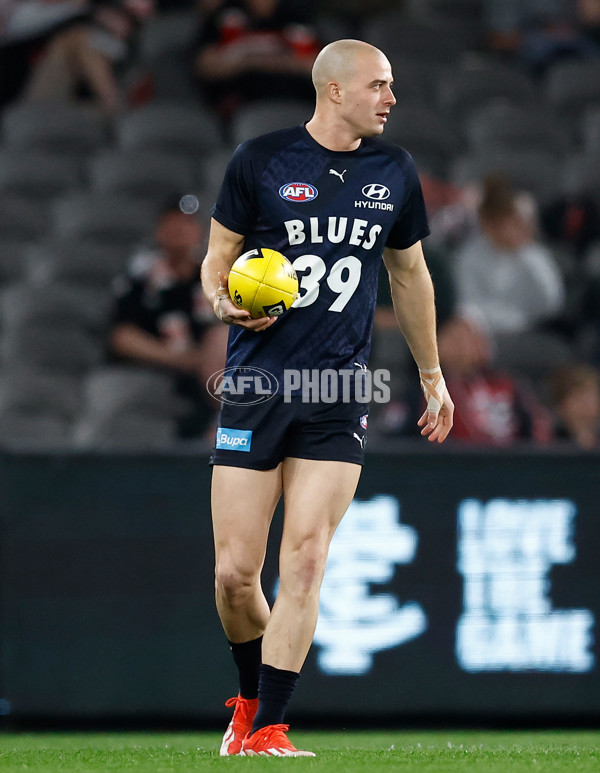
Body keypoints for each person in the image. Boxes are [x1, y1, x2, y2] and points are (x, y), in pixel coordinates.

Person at [200, 38, 454, 757]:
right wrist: (222, 303)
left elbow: (409, 277)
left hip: (340, 386)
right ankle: (248, 701)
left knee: (307, 556)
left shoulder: (394, 171)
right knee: (233, 574)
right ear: (334, 90)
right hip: (256, 385)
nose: (391, 97)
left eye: (392, 84)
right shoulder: (259, 159)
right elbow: (215, 261)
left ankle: (271, 729)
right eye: (379, 84)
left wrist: (433, 375)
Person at [109, 196, 228, 439]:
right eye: (173, 226)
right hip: (164, 372)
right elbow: (122, 337)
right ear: (159, 232)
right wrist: (181, 359)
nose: (180, 233)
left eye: (186, 226)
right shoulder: (142, 281)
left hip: (213, 372)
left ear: (199, 232)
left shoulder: (214, 278)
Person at [193, 0, 320, 124]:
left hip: (298, 104)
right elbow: (206, 67)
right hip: (243, 107)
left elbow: (318, 67)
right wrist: (284, 60)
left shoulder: (298, 16)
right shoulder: (226, 15)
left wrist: (247, 60)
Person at [548, 363, 600, 449]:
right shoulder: (548, 441)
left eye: (591, 397)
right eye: (578, 398)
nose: (586, 406)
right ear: (561, 406)